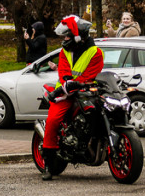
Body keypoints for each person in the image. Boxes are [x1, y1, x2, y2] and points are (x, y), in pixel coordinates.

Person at [40, 15, 104, 181]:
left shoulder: (95, 53)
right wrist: (68, 83)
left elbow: (92, 73)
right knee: (53, 120)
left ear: (78, 37)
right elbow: (63, 72)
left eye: (67, 36)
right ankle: (48, 164)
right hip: (64, 94)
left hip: (87, 92)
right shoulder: (64, 52)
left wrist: (80, 84)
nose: (65, 39)